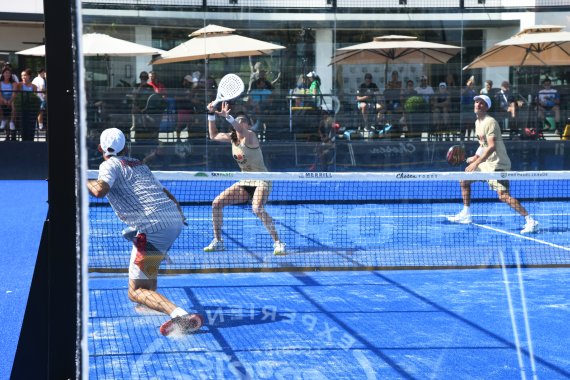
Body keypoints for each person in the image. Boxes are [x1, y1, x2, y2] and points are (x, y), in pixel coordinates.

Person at [87, 128, 203, 336]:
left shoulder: (109, 164)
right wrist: (178, 213)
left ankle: (180, 315)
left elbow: (99, 190)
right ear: (127, 147)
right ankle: (151, 301)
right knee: (148, 266)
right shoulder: (140, 165)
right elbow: (165, 192)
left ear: (100, 148)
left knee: (135, 291)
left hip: (153, 227)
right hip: (172, 220)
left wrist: (79, 178)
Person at [447, 95, 539, 235]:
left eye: (481, 103)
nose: (478, 104)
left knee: (503, 196)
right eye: (476, 102)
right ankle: (466, 214)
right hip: (485, 163)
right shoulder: (478, 122)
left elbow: (491, 147)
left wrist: (476, 162)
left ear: (486, 107)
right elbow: (482, 145)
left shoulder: (490, 122)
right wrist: (476, 157)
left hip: (498, 164)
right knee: (464, 179)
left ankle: (531, 221)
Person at [204, 101, 286, 255]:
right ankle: (218, 241)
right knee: (216, 204)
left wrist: (229, 117)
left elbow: (239, 128)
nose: (241, 124)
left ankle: (278, 242)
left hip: (262, 179)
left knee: (257, 208)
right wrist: (211, 115)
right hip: (245, 181)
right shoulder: (231, 137)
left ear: (249, 125)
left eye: (244, 122)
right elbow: (213, 135)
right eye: (239, 121)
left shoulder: (251, 136)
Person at [15, 68, 40, 141]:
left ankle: (31, 139)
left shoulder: (34, 86)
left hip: (31, 109)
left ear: (29, 76)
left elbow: (36, 97)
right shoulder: (19, 85)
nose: (23, 77)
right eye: (22, 75)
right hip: (22, 108)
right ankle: (24, 140)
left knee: (31, 124)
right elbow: (17, 96)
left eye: (25, 75)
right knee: (23, 125)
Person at [0, 66, 17, 141]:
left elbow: (14, 94)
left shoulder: (13, 83)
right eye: (6, 73)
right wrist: (4, 100)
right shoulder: (0, 83)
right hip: (2, 100)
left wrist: (10, 101)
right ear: (3, 74)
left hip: (11, 100)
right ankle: (3, 120)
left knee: (13, 106)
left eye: (9, 73)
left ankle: (11, 122)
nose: (8, 74)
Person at [460, 75, 477, 141]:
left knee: (470, 124)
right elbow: (462, 93)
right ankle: (462, 138)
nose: (471, 85)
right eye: (470, 84)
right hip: (464, 110)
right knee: (463, 125)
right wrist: (467, 86)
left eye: (472, 84)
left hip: (471, 110)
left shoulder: (473, 91)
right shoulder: (463, 89)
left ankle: (469, 138)